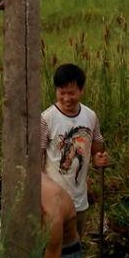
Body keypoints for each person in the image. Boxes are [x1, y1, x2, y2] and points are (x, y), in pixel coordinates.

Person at [41, 62, 110, 238]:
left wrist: (98, 158)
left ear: (81, 90)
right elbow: (36, 157)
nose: (66, 98)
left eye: (71, 93)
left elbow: (97, 145)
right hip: (53, 201)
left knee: (75, 246)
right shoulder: (47, 118)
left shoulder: (90, 116)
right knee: (52, 246)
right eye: (61, 92)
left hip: (79, 199)